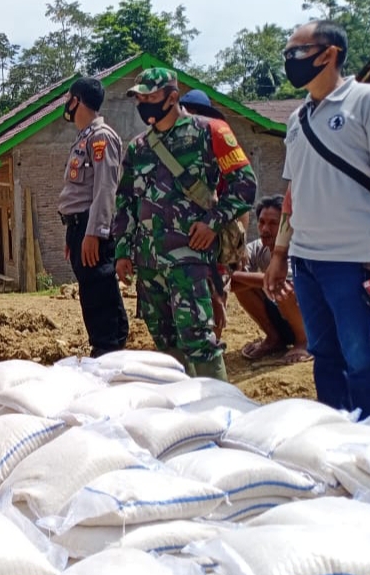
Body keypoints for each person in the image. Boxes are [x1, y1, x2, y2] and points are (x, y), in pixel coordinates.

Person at [113, 68, 256, 380]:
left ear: (172, 97)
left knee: (199, 340)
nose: (143, 103)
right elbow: (125, 201)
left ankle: (219, 407)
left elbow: (245, 185)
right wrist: (123, 251)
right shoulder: (138, 147)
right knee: (164, 342)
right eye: (140, 98)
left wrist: (212, 224)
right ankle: (184, 406)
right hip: (150, 261)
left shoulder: (211, 132)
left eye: (150, 97)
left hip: (191, 258)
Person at [265, 20, 370, 417]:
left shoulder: (366, 101)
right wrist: (280, 254)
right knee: (324, 355)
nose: (289, 61)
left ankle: (369, 447)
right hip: (307, 260)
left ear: (329, 54)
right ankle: (336, 440)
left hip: (355, 259)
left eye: (296, 52)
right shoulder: (297, 120)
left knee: (363, 358)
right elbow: (293, 193)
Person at [56, 77, 129, 357]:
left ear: (78, 100)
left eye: (68, 98)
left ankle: (108, 348)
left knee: (99, 289)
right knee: (91, 289)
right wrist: (72, 235)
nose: (66, 105)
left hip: (90, 225)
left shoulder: (101, 137)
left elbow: (104, 189)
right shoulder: (84, 137)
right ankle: (105, 345)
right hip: (79, 226)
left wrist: (94, 232)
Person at [179, 88, 249, 343]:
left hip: (214, 236)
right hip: (183, 238)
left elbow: (241, 199)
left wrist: (237, 249)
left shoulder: (217, 148)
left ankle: (213, 345)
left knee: (215, 297)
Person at [233, 195, 309, 363]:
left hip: (309, 321)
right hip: (281, 317)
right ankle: (274, 339)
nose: (265, 229)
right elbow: (231, 284)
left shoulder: (298, 248)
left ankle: (304, 342)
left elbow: (281, 282)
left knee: (282, 289)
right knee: (243, 285)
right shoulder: (257, 247)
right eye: (261, 222)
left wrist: (232, 275)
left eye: (273, 223)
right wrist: (234, 274)